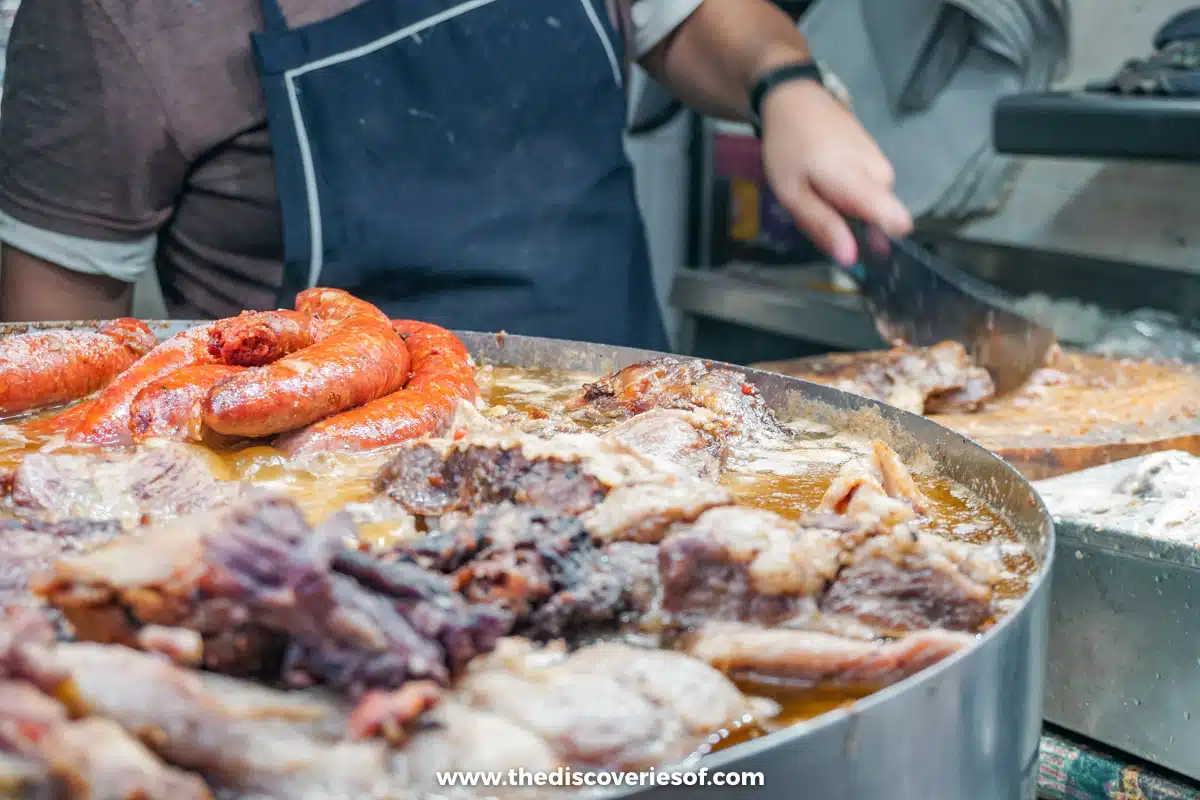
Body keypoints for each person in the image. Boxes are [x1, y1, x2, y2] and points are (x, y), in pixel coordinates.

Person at [0, 0, 912, 350]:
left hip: (638, 451)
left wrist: (785, 86)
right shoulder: (106, 20)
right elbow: (53, 352)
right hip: (329, 539)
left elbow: (693, 19)